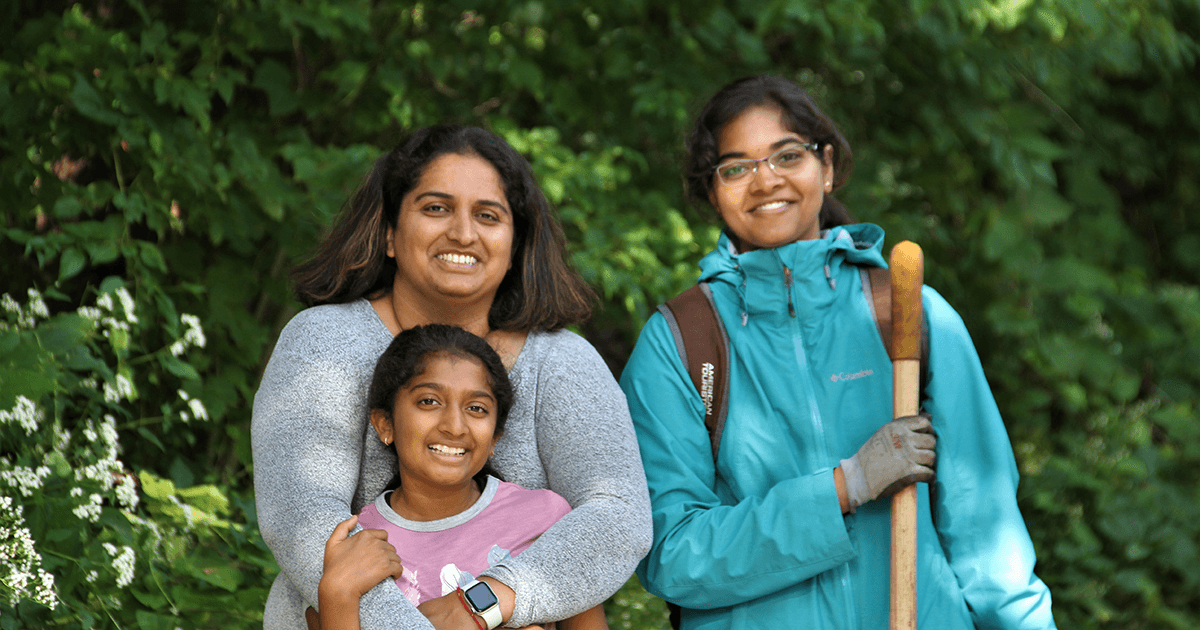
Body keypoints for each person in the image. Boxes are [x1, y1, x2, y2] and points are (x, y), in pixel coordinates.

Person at [619, 75, 1056, 629]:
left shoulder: (906, 313)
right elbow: (671, 557)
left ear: (825, 166)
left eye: (787, 155)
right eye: (736, 167)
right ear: (712, 190)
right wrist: (846, 486)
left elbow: (989, 540)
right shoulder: (682, 343)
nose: (765, 181)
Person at [252, 125, 651, 630]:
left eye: (488, 215)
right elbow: (304, 523)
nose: (463, 233)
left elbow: (619, 517)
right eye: (436, 208)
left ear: (515, 244)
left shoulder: (563, 363)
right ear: (390, 233)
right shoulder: (324, 343)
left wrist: (484, 602)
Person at [308, 324, 608, 630]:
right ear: (385, 424)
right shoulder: (361, 544)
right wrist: (337, 593)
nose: (454, 426)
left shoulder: (546, 519)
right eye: (429, 401)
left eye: (476, 408)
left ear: (494, 439)